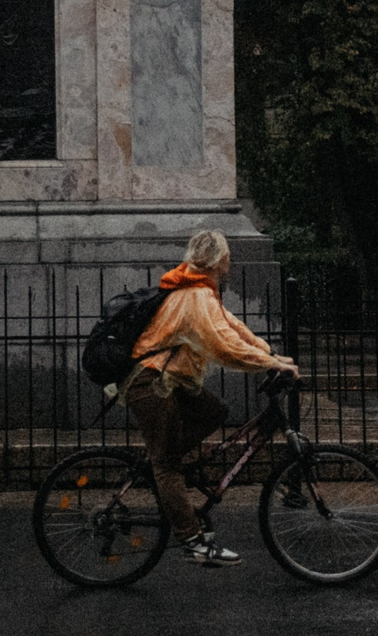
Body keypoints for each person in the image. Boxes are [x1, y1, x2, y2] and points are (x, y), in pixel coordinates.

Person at [124, 229, 297, 567]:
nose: (230, 263)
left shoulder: (199, 290)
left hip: (171, 380)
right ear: (220, 260)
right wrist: (270, 363)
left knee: (215, 411)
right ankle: (193, 541)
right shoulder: (196, 297)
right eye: (228, 257)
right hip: (151, 381)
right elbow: (224, 347)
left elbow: (232, 329)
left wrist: (271, 353)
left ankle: (166, 464)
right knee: (167, 465)